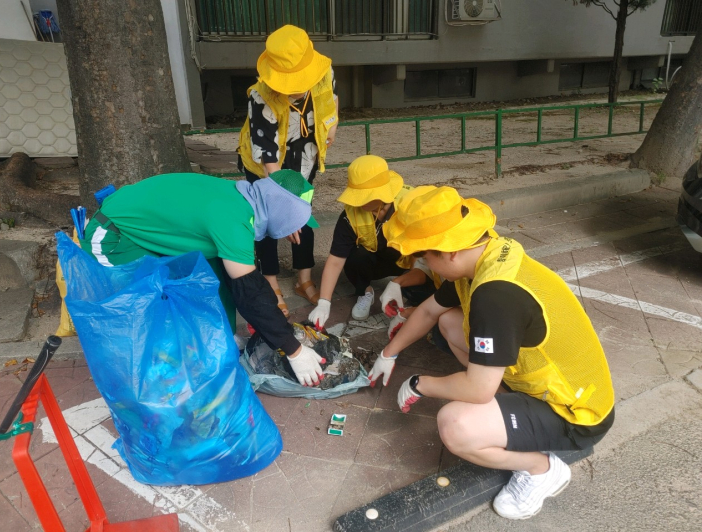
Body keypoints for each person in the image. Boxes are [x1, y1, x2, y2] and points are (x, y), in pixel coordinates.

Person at [369, 186, 615, 520]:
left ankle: (540, 469)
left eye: (427, 258)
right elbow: (427, 312)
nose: (428, 267)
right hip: (549, 382)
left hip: (575, 412)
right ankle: (512, 417)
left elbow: (477, 389)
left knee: (455, 424)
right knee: (451, 322)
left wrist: (419, 383)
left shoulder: (494, 296)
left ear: (450, 252)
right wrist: (389, 353)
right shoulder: (486, 254)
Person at [79, 170, 326, 387]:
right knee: (152, 309)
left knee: (216, 274)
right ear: (281, 210)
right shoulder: (232, 219)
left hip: (142, 229)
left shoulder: (244, 198)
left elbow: (232, 282)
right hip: (113, 237)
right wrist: (294, 350)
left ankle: (218, 340)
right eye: (294, 219)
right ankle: (157, 383)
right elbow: (250, 292)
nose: (296, 229)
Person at [237, 24, 339, 318]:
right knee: (267, 223)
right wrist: (284, 207)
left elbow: (332, 101)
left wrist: (333, 126)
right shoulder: (260, 97)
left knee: (304, 217)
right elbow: (268, 156)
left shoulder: (324, 73)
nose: (294, 87)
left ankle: (303, 279)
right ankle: (270, 281)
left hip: (303, 159)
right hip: (266, 168)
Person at [308, 155, 412, 329]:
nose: (357, 200)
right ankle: (365, 291)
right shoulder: (350, 216)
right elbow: (335, 262)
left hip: (407, 260)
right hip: (373, 261)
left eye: (364, 195)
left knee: (424, 280)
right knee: (355, 255)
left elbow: (424, 257)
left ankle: (410, 298)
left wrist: (400, 283)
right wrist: (324, 302)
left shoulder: (409, 204)